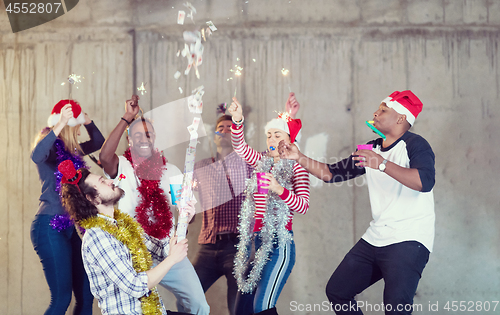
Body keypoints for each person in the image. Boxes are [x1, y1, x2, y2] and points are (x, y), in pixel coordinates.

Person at [278, 90, 435, 315]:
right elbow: (330, 174)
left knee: (396, 308)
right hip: (376, 237)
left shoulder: (416, 144)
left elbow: (424, 182)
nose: (375, 113)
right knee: (338, 291)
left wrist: (381, 164)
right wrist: (298, 157)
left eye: (383, 109)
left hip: (409, 239)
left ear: (401, 118)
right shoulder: (370, 149)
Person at [99, 95, 210, 315]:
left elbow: (187, 213)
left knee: (199, 306)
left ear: (154, 138)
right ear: (129, 140)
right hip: (134, 253)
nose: (143, 138)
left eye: (147, 134)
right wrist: (126, 118)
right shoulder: (121, 165)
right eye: (137, 135)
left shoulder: (173, 171)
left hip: (169, 250)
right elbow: (104, 156)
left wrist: (189, 212)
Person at [58, 159, 192, 315]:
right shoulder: (97, 237)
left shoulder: (123, 225)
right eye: (102, 182)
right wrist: (172, 259)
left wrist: (184, 220)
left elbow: (162, 251)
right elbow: (134, 285)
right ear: (93, 199)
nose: (109, 181)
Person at [228, 96, 311, 315]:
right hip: (255, 243)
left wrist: (279, 188)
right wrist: (237, 121)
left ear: (289, 139)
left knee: (261, 307)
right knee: (241, 310)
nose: (271, 139)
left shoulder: (297, 167)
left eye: (277, 134)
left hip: (279, 244)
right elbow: (240, 147)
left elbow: (303, 206)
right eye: (268, 135)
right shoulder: (262, 160)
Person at [30, 99, 104, 314]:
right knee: (61, 300)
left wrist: (87, 120)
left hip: (70, 228)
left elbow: (98, 141)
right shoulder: (51, 150)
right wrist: (60, 123)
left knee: (85, 295)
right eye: (77, 128)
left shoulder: (74, 153)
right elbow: (36, 155)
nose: (79, 133)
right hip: (48, 227)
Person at [191, 112, 253, 315]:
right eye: (221, 128)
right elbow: (189, 208)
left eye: (230, 128)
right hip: (207, 246)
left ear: (238, 134)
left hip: (237, 247)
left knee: (238, 308)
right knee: (188, 298)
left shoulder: (250, 165)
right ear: (214, 134)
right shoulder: (200, 167)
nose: (225, 131)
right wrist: (185, 208)